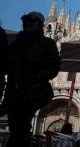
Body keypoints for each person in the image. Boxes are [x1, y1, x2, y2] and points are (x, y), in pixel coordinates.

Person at [5, 11, 61, 147]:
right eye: (25, 21)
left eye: (31, 22)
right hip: (14, 92)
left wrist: (35, 78)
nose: (27, 24)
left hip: (34, 91)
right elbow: (10, 70)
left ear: (40, 25)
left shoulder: (47, 44)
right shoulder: (16, 44)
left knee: (21, 126)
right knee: (14, 127)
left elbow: (53, 68)